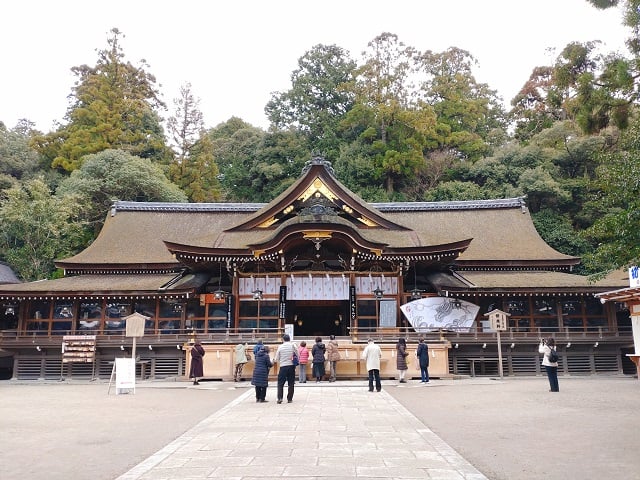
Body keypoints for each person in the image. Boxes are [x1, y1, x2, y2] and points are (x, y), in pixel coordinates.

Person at [273, 334, 298, 404]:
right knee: (291, 383)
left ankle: (280, 398)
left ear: (283, 339)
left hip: (283, 366)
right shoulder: (293, 346)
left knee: (280, 383)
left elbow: (277, 358)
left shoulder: (280, 347)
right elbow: (297, 354)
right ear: (289, 339)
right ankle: (289, 398)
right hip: (291, 366)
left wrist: (278, 360)